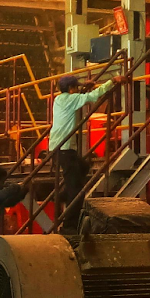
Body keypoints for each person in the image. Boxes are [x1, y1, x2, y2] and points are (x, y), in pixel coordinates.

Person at [48, 74, 122, 223]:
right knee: (77, 192)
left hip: (57, 146)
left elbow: (75, 95)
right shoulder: (72, 99)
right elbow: (94, 96)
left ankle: (62, 194)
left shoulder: (59, 99)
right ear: (71, 89)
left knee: (84, 166)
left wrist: (83, 86)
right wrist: (112, 81)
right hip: (65, 148)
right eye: (76, 86)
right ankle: (69, 223)